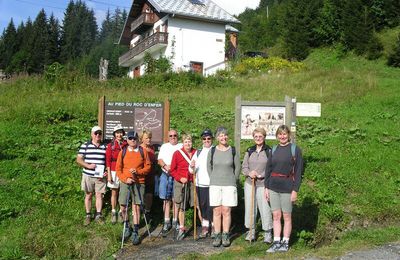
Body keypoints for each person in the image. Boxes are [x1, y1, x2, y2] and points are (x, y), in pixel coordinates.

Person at [264, 125, 304, 253]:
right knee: (276, 215)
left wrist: (295, 190)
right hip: (273, 187)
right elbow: (268, 169)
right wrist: (266, 187)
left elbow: (298, 172)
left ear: (289, 135)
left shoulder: (295, 150)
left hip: (288, 187)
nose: (282, 136)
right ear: (277, 136)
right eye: (280, 134)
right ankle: (276, 242)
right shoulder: (273, 149)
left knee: (287, 216)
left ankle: (285, 242)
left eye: (284, 134)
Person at [116, 131, 151, 245]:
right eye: (130, 138)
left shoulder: (143, 151)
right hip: (125, 182)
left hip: (139, 182)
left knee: (136, 207)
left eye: (134, 138)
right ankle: (127, 226)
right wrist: (125, 179)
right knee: (123, 205)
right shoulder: (123, 152)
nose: (132, 140)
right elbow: (118, 169)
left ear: (137, 139)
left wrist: (138, 172)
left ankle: (135, 231)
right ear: (127, 140)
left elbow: (148, 167)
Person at [207, 127, 240, 247]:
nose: (223, 137)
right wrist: (213, 178)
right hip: (215, 184)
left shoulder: (233, 150)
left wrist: (233, 179)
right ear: (217, 138)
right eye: (221, 135)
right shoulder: (212, 151)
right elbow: (208, 166)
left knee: (226, 210)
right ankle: (217, 235)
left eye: (225, 135)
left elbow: (238, 167)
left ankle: (225, 235)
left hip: (229, 184)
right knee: (216, 210)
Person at [242, 127, 273, 243]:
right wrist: (249, 173)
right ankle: (251, 231)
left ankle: (267, 232)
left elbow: (272, 167)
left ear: (264, 137)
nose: (258, 138)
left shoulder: (269, 151)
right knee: (250, 207)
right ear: (253, 138)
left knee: (265, 208)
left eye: (260, 136)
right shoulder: (249, 150)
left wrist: (262, 174)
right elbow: (244, 166)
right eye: (256, 136)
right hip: (250, 183)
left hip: (263, 183)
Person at [76, 126, 107, 226]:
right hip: (88, 175)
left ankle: (98, 215)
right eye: (95, 133)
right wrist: (88, 166)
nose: (98, 135)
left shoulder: (105, 146)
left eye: (99, 133)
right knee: (88, 195)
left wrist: (106, 171)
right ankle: (88, 215)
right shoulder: (85, 145)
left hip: (100, 176)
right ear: (91, 134)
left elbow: (108, 161)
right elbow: (79, 159)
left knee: (99, 195)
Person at [170, 134, 196, 240]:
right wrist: (180, 178)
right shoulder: (177, 153)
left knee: (196, 204)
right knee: (181, 205)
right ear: (183, 143)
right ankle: (181, 227)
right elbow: (172, 169)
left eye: (189, 141)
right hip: (181, 182)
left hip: (192, 182)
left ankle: (204, 226)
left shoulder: (196, 153)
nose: (188, 143)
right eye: (186, 141)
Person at [189, 129, 214, 238]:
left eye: (208, 138)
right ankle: (205, 226)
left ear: (212, 139)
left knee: (212, 206)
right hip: (200, 183)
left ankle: (214, 226)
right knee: (203, 206)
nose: (206, 140)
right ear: (202, 140)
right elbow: (191, 170)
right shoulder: (198, 152)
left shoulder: (215, 150)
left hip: (213, 184)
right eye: (204, 138)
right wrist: (192, 166)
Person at [157, 129, 183, 236]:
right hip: (166, 174)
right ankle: (166, 221)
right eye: (171, 135)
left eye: (175, 135)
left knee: (176, 199)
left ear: (178, 136)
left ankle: (175, 221)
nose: (173, 137)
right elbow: (160, 159)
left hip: (177, 175)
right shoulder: (164, 146)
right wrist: (165, 166)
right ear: (168, 137)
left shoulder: (181, 146)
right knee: (166, 199)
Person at [105, 125, 127, 224]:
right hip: (113, 171)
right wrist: (109, 174)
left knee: (122, 192)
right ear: (114, 134)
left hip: (123, 170)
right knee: (114, 192)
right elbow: (108, 161)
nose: (119, 134)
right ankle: (113, 211)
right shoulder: (111, 145)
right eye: (117, 132)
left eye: (121, 132)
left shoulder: (126, 144)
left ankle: (121, 212)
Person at [139, 129, 157, 223]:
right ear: (141, 139)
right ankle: (139, 213)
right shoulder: (139, 148)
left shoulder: (152, 149)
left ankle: (147, 212)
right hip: (141, 175)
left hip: (151, 175)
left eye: (149, 138)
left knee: (149, 195)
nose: (149, 140)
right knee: (141, 194)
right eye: (146, 138)